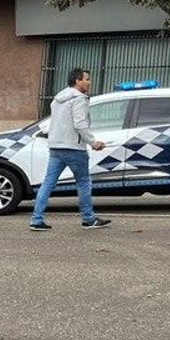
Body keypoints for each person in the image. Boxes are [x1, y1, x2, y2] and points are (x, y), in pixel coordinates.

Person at [29, 68, 111, 231]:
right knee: (83, 182)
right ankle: (88, 219)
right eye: (86, 79)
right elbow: (80, 124)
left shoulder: (58, 99)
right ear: (77, 81)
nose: (89, 82)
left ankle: (36, 220)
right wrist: (93, 142)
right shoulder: (79, 99)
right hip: (74, 148)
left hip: (56, 147)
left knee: (48, 183)